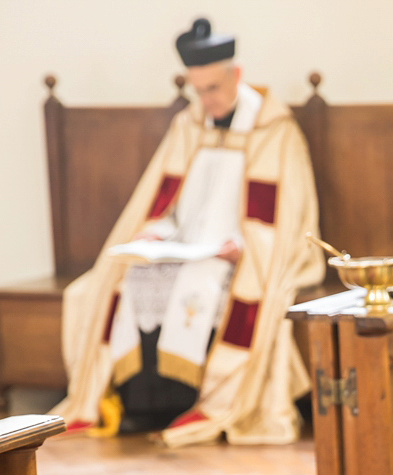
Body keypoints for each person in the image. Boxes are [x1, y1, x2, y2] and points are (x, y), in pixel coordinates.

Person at [52, 17, 324, 446]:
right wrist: (157, 232)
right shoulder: (188, 126)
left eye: (213, 88)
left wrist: (245, 248)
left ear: (236, 75)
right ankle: (139, 404)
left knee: (198, 283)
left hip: (240, 258)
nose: (206, 100)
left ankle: (198, 401)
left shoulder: (275, 132)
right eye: (198, 91)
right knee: (133, 277)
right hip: (185, 249)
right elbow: (164, 201)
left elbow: (291, 217)